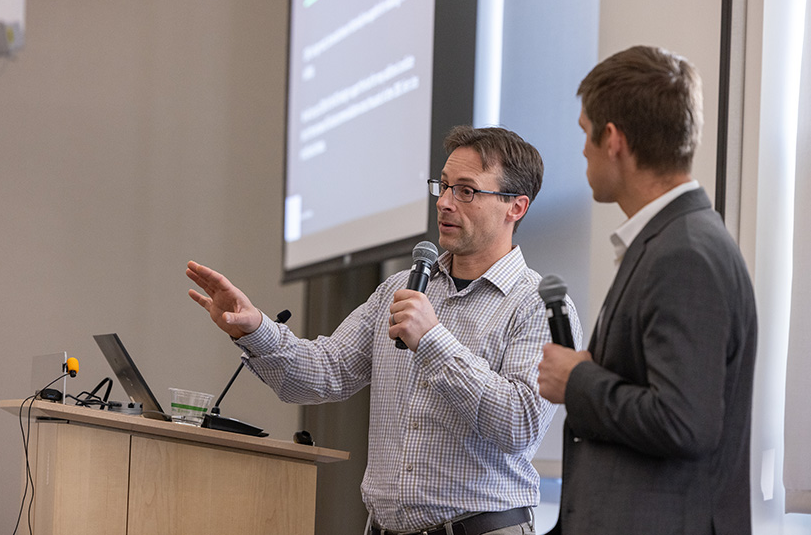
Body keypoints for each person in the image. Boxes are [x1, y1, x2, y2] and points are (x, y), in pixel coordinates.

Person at [187, 125, 583, 535]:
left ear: (515, 207)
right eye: (443, 186)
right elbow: (323, 373)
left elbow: (519, 425)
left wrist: (432, 341)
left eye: (466, 191)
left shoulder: (539, 305)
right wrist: (254, 328)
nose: (445, 203)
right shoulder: (397, 289)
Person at [537, 45, 757, 534]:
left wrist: (577, 380)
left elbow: (684, 421)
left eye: (584, 133)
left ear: (612, 138)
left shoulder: (685, 254)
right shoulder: (671, 240)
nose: (583, 150)